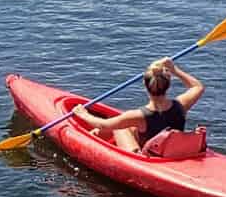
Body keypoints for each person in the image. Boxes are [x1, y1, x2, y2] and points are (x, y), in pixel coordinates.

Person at [71, 57, 205, 153]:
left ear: (145, 86)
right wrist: (174, 69)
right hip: (172, 150)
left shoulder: (138, 116)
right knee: (132, 128)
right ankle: (93, 135)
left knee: (120, 127)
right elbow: (198, 87)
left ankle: (87, 138)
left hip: (150, 156)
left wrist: (83, 114)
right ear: (168, 85)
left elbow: (103, 124)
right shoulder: (181, 105)